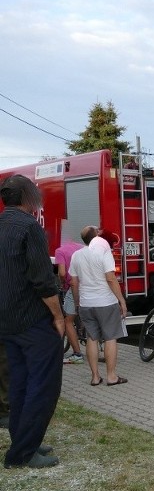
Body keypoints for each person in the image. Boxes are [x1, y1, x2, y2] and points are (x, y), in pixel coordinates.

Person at [0, 175, 64, 469]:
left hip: (7, 322)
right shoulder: (30, 228)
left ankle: (25, 441)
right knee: (43, 385)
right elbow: (42, 281)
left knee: (20, 385)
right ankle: (22, 453)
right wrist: (58, 317)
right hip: (32, 321)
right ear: (28, 197)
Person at [69, 226, 128, 387]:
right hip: (105, 302)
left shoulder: (76, 255)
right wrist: (121, 301)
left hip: (86, 303)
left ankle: (95, 377)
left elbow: (73, 282)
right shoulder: (103, 252)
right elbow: (110, 278)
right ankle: (111, 376)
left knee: (91, 338)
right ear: (95, 236)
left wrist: (77, 302)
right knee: (110, 338)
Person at [54, 237, 85, 363]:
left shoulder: (60, 251)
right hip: (88, 286)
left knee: (67, 321)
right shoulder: (82, 248)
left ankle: (77, 354)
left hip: (73, 287)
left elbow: (62, 273)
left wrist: (62, 283)